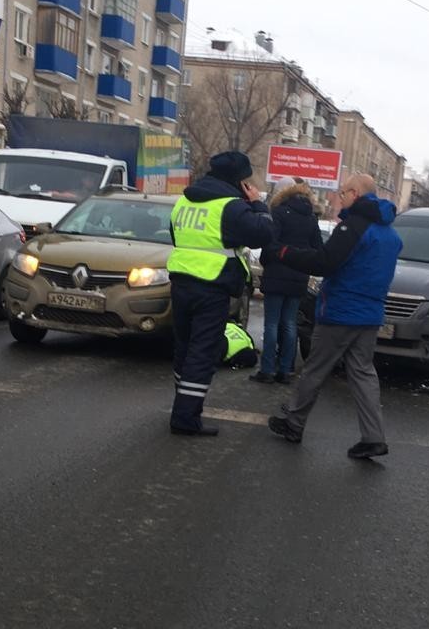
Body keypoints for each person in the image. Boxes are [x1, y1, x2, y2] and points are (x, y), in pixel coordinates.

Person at [266, 174, 402, 459]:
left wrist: (284, 253)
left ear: (354, 193)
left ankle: (294, 421)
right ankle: (373, 436)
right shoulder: (390, 234)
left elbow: (324, 263)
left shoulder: (352, 228)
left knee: (315, 368)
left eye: (342, 193)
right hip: (370, 314)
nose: (339, 198)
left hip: (340, 311)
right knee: (363, 373)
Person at [167, 151, 274, 436]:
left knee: (185, 348)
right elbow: (263, 234)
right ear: (238, 180)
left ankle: (182, 405)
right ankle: (185, 417)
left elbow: (175, 236)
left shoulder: (185, 200)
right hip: (211, 287)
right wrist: (259, 205)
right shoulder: (232, 207)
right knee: (203, 352)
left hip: (180, 283)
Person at [250, 177, 323, 385]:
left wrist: (268, 260)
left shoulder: (279, 213)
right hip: (299, 276)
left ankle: (267, 369)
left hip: (276, 273)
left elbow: (269, 242)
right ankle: (286, 369)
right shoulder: (311, 218)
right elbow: (317, 248)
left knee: (272, 323)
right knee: (290, 324)